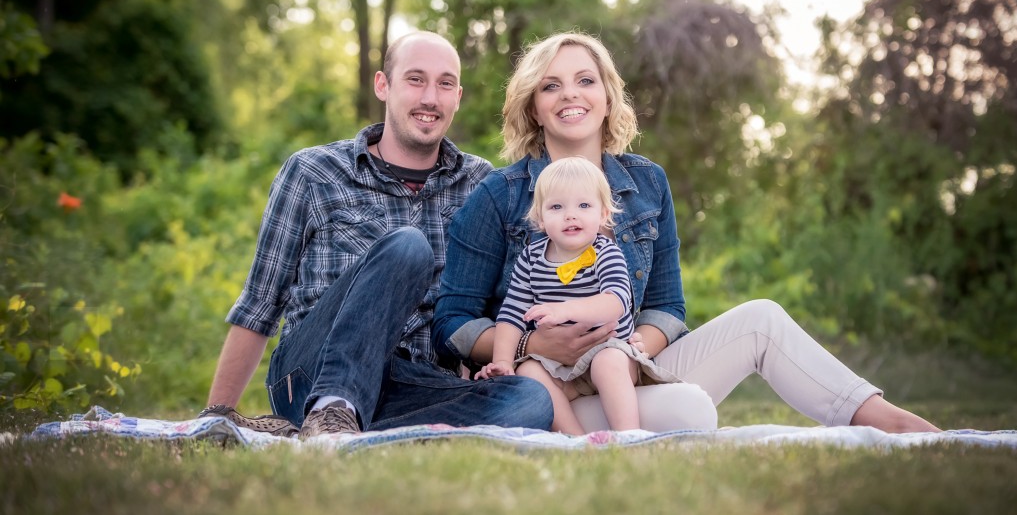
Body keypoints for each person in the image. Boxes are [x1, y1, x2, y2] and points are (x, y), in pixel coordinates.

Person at [434, 31, 941, 434]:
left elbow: (667, 309)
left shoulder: (647, 184)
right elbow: (452, 322)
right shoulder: (498, 196)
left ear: (608, 98)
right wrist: (534, 348)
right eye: (551, 85)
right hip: (545, 388)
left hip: (623, 368)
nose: (570, 94)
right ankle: (602, 434)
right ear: (533, 107)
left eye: (585, 81)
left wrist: (623, 353)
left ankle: (887, 421)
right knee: (689, 412)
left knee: (762, 319)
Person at [202, 30, 553, 439]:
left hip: (413, 381)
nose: (430, 98)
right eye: (415, 79)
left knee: (529, 401)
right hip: (309, 371)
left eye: (444, 84)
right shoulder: (314, 173)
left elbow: (493, 300)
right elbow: (260, 303)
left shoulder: (481, 183)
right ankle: (331, 407)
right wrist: (217, 414)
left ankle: (335, 433)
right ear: (383, 85)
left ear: (458, 97)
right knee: (407, 247)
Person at [477, 156, 685, 434]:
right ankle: (575, 440)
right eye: (557, 207)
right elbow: (512, 314)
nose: (570, 215)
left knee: (607, 362)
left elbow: (615, 303)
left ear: (603, 215)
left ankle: (629, 436)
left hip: (612, 357)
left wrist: (564, 310)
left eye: (584, 205)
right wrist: (502, 361)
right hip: (560, 367)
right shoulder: (531, 258)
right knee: (528, 372)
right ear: (540, 218)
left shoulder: (605, 253)